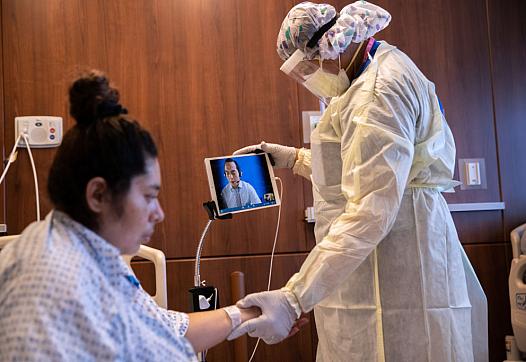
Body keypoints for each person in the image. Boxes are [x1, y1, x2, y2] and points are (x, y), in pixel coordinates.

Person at [229, 1, 487, 361]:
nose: (307, 78)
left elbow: (371, 208)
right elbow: (360, 170)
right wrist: (293, 159)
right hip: (384, 241)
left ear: (326, 48)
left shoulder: (376, 96)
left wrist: (294, 298)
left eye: (305, 67)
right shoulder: (368, 71)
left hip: (401, 248)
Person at [0, 71, 261, 361]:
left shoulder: (88, 251)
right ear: (98, 195)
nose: (159, 213)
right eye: (149, 196)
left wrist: (244, 314)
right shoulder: (50, 292)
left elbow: (162, 329)